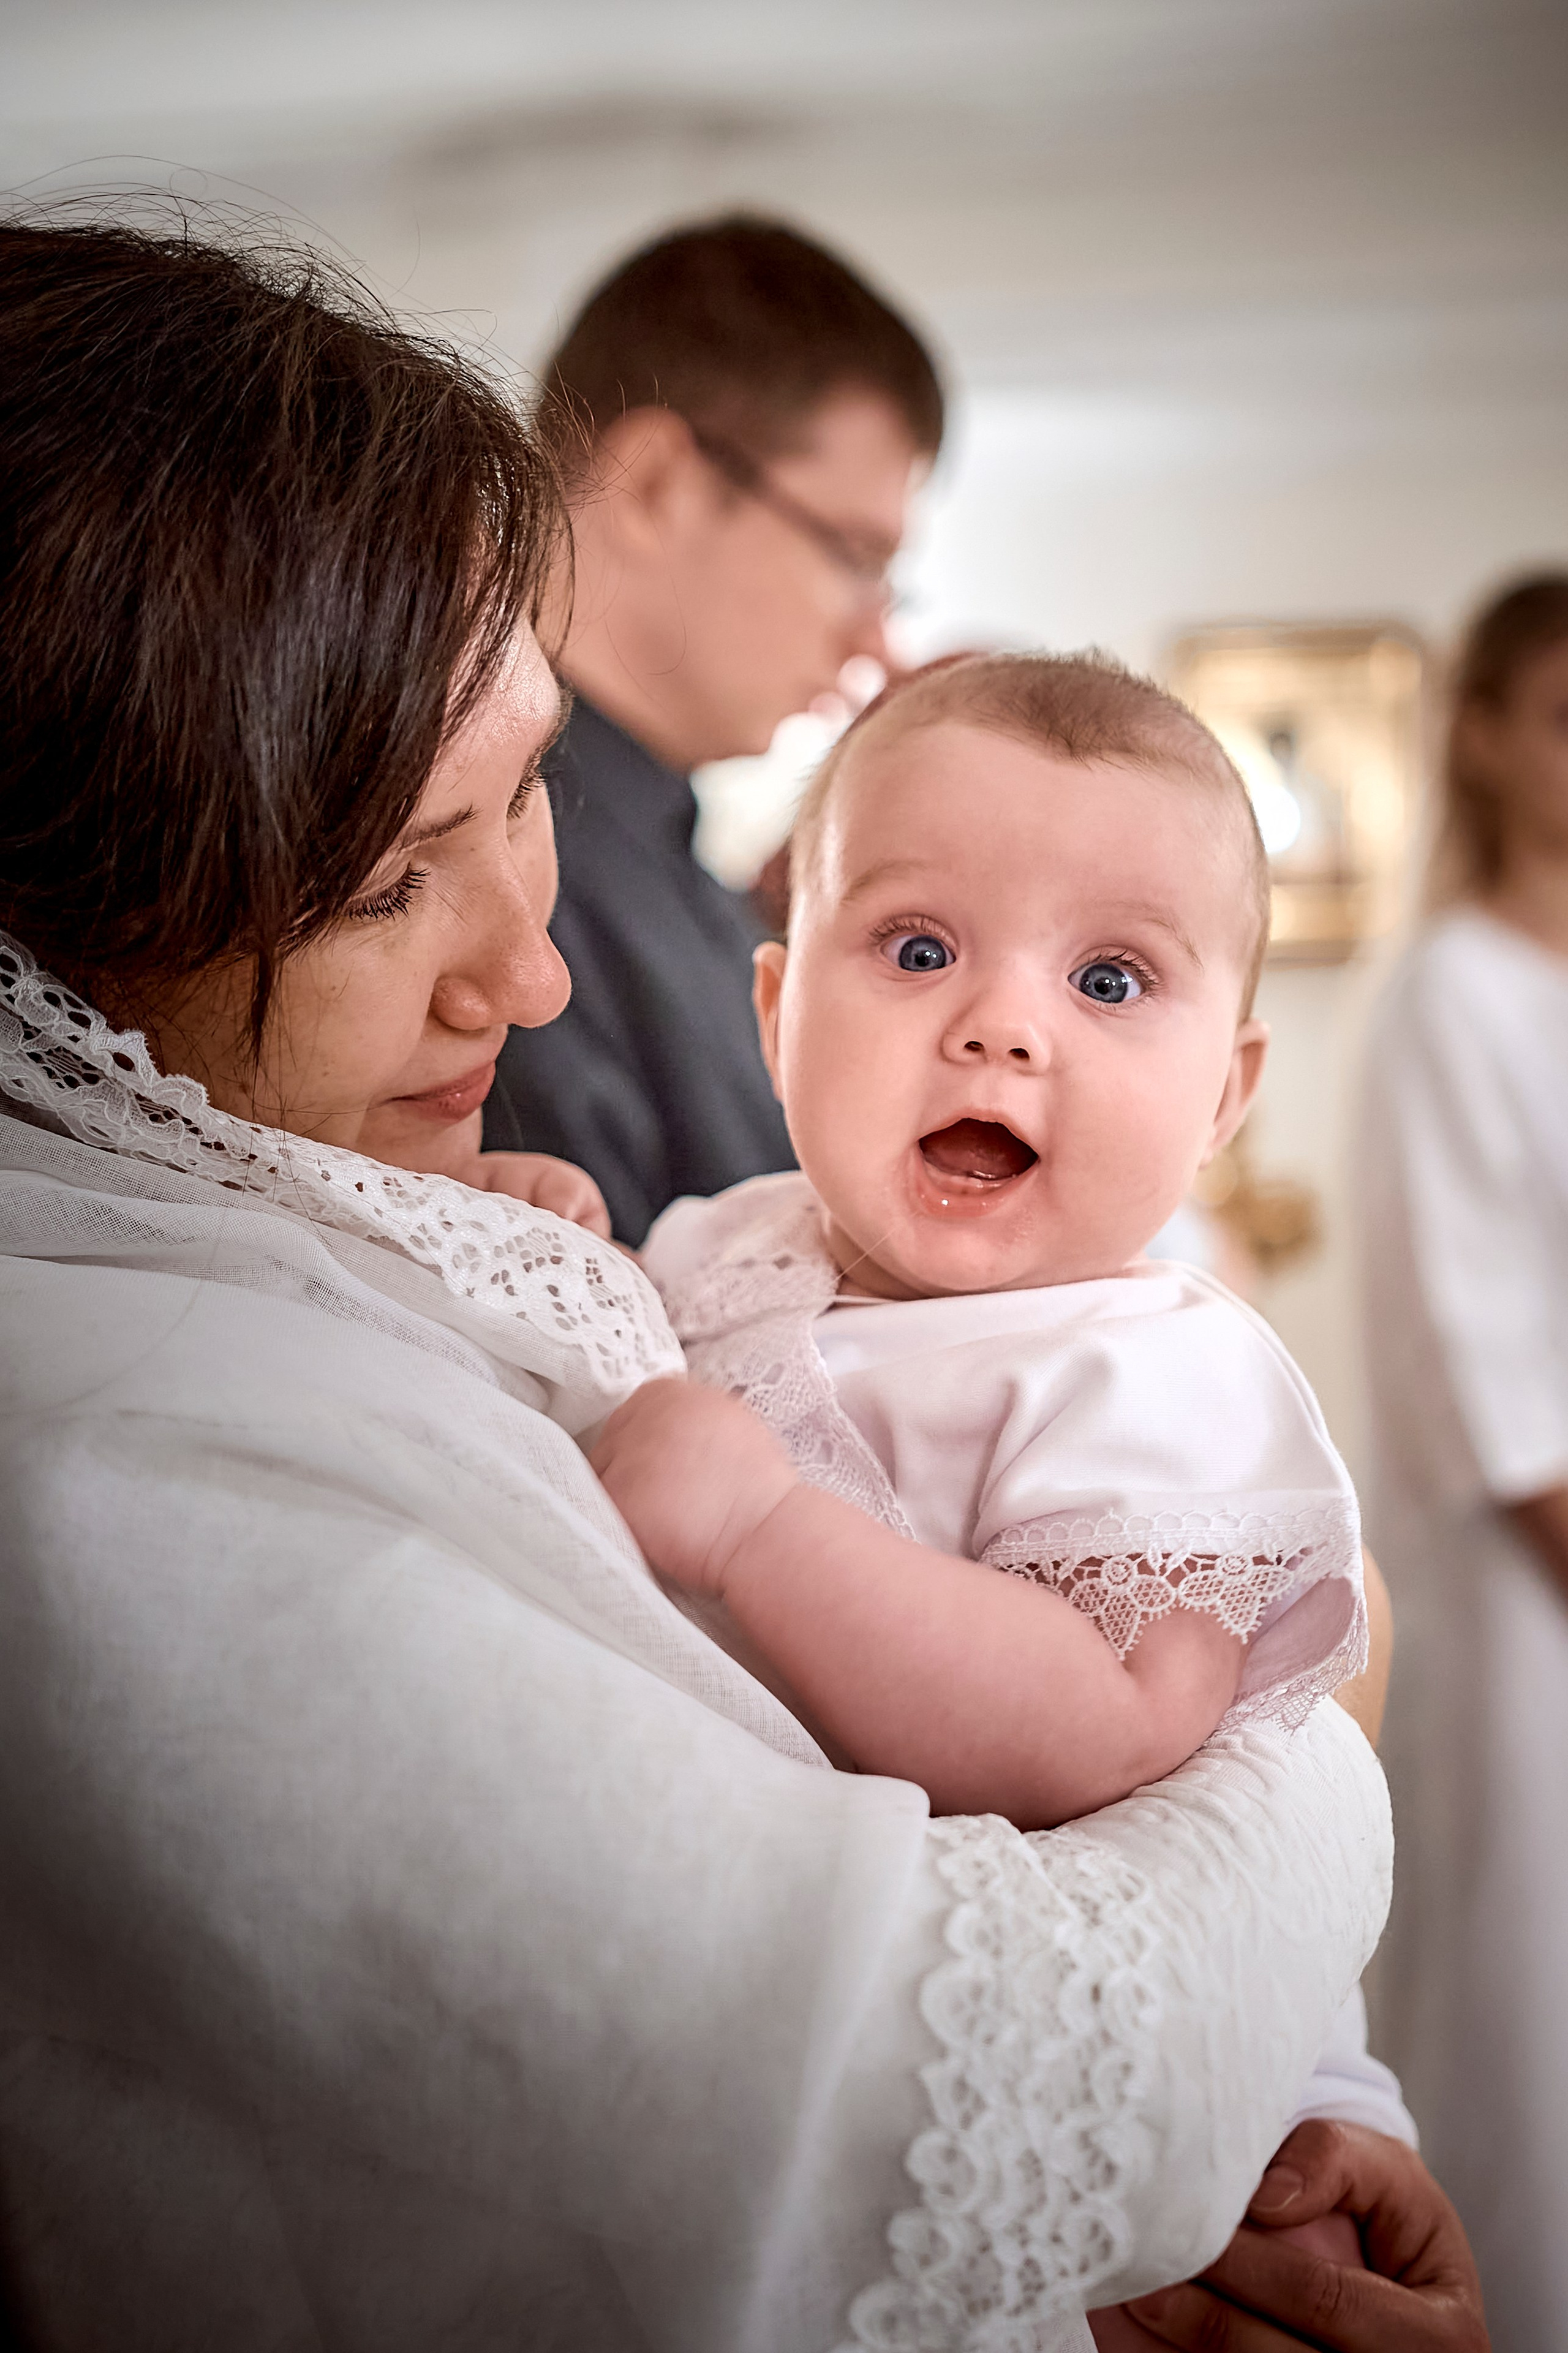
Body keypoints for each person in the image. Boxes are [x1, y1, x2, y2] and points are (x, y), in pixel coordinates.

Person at [0, 211, 1485, 2353]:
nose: (538, 964)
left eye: (528, 803)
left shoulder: (1157, 1364)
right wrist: (1313, 1758)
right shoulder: (133, 1469)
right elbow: (964, 2082)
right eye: (396, 873)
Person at [599, 654, 1370, 1822]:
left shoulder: (1161, 1379)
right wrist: (537, 1227)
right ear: (776, 1016)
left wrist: (762, 1529)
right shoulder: (724, 1238)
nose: (1002, 1028)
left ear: (1222, 1096)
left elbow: (1109, 1728)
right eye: (920, 951)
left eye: (1108, 980)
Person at [477, 214, 944, 1243]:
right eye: (852, 553)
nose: (877, 636)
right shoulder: (481, 848)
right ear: (656, 483)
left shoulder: (671, 866)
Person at [1360, 572, 1568, 2352]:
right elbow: (1488, 1368)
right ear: (1489, 738)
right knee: (1525, 2024)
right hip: (1527, 1605)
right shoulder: (1453, 994)